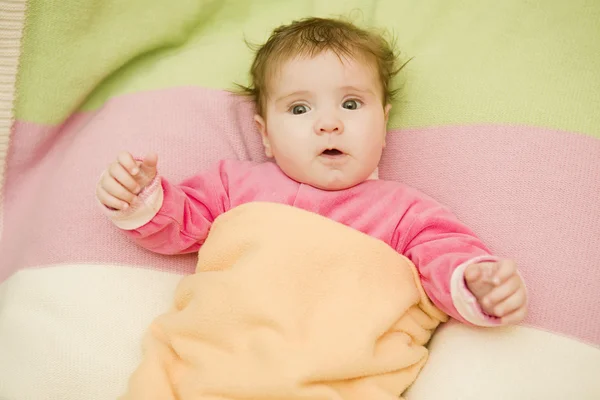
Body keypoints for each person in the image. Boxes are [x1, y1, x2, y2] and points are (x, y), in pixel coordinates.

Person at [96, 17, 527, 326]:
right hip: (227, 346)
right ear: (264, 135)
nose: (329, 123)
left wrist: (476, 281)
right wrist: (140, 196)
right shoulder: (234, 185)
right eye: (300, 108)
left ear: (384, 123)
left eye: (352, 104)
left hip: (340, 363)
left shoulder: (402, 211)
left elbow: (443, 253)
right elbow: (181, 223)